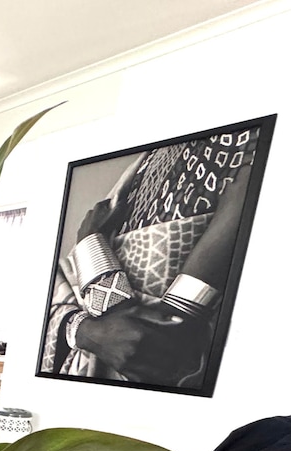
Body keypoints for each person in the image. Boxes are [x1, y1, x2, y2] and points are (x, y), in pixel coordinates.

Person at [40, 123, 262, 390]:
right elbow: (66, 304)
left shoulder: (246, 145)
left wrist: (89, 246)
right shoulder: (140, 169)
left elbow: (152, 336)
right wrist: (86, 330)